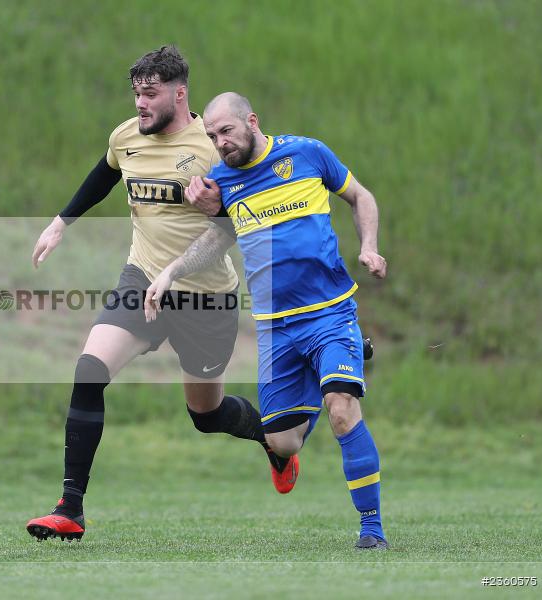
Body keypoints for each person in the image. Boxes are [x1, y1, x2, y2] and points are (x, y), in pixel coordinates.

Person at [26, 47, 287, 542]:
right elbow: (105, 172)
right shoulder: (127, 137)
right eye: (137, 94)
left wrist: (218, 210)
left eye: (150, 95)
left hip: (207, 299)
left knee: (205, 417)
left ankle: (270, 441)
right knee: (88, 373)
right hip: (141, 281)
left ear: (179, 93)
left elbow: (238, 226)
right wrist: (61, 223)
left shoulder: (213, 145)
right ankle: (70, 508)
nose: (141, 105)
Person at [144, 92, 389, 550]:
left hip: (329, 312)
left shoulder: (306, 154)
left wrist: (368, 246)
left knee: (340, 410)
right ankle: (337, 366)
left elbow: (360, 196)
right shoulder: (221, 183)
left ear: (252, 121)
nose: (220, 143)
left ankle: (371, 530)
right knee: (283, 444)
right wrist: (170, 272)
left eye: (227, 132)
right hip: (276, 327)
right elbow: (214, 241)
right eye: (213, 136)